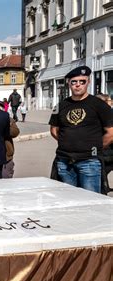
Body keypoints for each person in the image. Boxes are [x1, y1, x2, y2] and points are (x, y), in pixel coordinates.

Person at [49, 66, 113, 194]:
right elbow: (54, 130)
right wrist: (68, 142)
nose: (78, 85)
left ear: (88, 82)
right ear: (69, 84)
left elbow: (110, 132)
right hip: (64, 162)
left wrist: (96, 148)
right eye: (74, 82)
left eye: (82, 81)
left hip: (89, 162)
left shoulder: (99, 105)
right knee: (68, 200)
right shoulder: (59, 106)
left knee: (90, 201)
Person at [0, 101, 20, 178]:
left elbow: (15, 132)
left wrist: (4, 127)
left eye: (0, 110)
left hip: (6, 157)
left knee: (5, 179)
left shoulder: (9, 120)